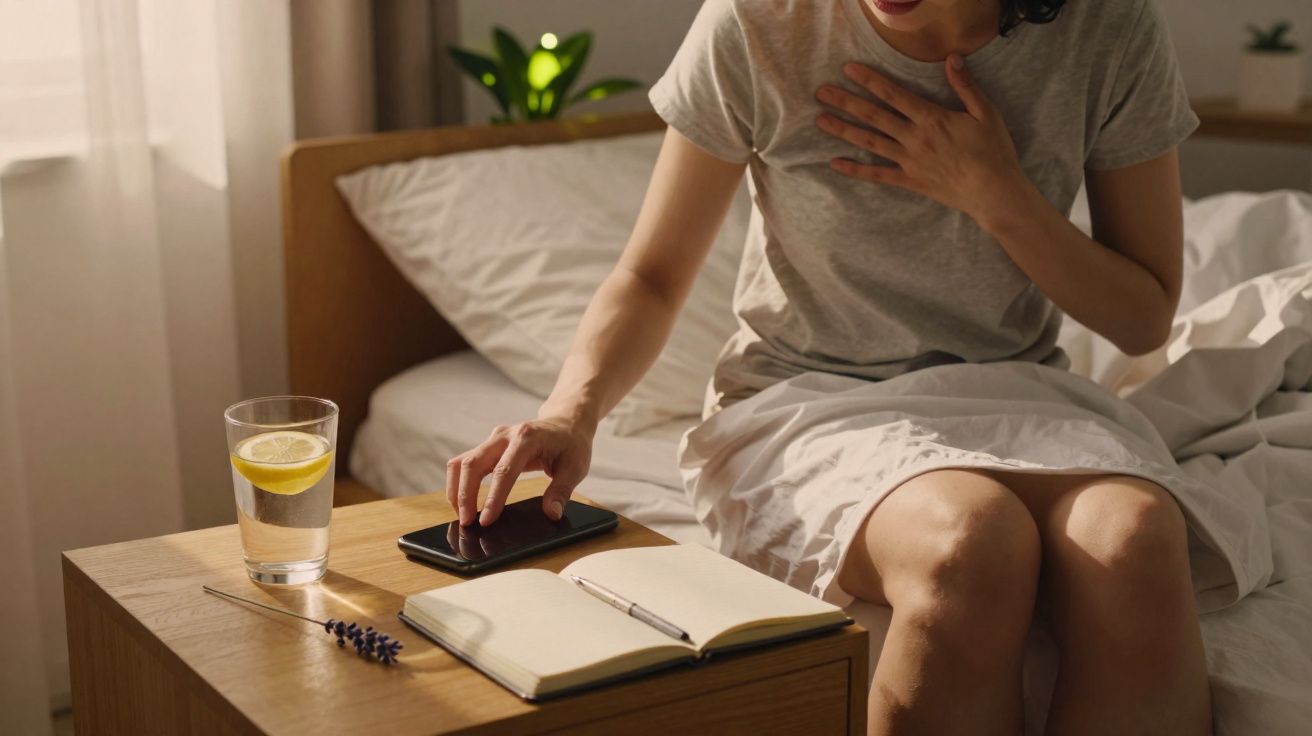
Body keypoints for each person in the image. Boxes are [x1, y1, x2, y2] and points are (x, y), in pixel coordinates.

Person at [446, 0, 1221, 732]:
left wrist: (996, 194)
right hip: (806, 402)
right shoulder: (762, 22)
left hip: (1017, 390)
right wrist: (569, 413)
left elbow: (1144, 313)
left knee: (1136, 541)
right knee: (973, 542)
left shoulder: (1108, 26)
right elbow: (650, 276)